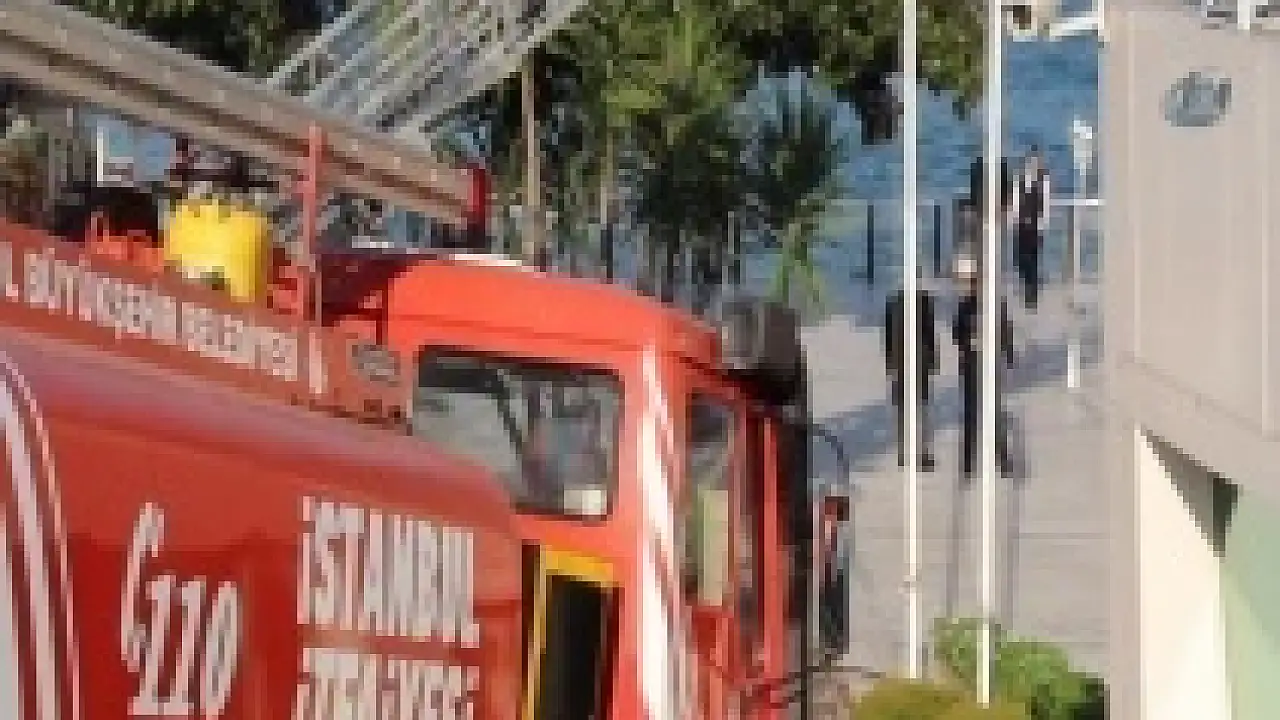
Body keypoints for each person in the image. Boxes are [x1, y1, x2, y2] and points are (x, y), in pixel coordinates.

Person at [952, 254, 1015, 479]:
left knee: (994, 412)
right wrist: (967, 342)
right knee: (971, 414)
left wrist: (1007, 355)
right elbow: (957, 334)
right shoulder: (965, 305)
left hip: (989, 363)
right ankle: (968, 464)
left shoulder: (996, 304)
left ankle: (1002, 460)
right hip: (972, 363)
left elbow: (1005, 330)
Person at [882, 283, 939, 469]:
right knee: (918, 408)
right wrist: (932, 360)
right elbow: (929, 334)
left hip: (903, 363)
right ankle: (920, 452)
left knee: (905, 410)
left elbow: (889, 338)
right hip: (916, 362)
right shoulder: (923, 301)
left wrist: (890, 363)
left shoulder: (894, 302)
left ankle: (905, 452)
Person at [1013, 145, 1050, 311]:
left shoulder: (1043, 180)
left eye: (1037, 160)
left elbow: (1045, 203)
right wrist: (1014, 219)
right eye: (1031, 160)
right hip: (1022, 224)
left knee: (1032, 260)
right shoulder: (1020, 178)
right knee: (1021, 259)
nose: (1034, 164)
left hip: (1035, 225)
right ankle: (1027, 286)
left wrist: (1043, 224)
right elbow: (1016, 200)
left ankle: (1031, 294)